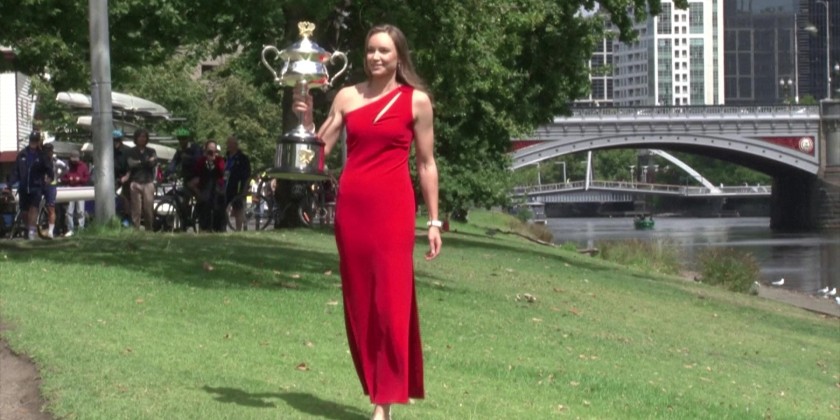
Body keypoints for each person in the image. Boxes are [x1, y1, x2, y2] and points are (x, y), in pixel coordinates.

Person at [293, 24, 441, 420]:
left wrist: (434, 221)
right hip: (352, 211)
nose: (376, 56)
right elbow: (316, 152)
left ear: (399, 57)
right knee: (360, 302)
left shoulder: (417, 101)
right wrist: (305, 122)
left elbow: (427, 164)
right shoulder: (346, 96)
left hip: (393, 210)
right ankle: (376, 386)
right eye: (371, 49)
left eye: (384, 51)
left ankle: (383, 403)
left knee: (390, 303)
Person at [7, 131, 53, 240]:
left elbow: (49, 168)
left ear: (38, 142)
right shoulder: (22, 154)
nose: (33, 143)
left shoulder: (42, 155)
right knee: (24, 211)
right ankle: (28, 228)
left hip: (36, 186)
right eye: (32, 140)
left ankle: (31, 232)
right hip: (23, 186)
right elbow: (16, 171)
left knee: (34, 208)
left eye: (35, 141)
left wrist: (50, 177)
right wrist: (10, 184)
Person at [189, 140, 225, 232]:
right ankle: (203, 227)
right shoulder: (202, 161)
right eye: (209, 151)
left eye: (214, 150)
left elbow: (221, 173)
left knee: (218, 204)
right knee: (204, 202)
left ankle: (217, 227)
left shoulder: (219, 160)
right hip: (204, 188)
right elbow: (196, 174)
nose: (211, 153)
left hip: (217, 188)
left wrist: (213, 160)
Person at [126, 128, 157, 231]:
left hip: (148, 182)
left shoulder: (151, 151)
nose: (142, 139)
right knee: (136, 210)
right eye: (140, 136)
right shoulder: (131, 151)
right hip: (135, 182)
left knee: (148, 209)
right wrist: (145, 161)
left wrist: (139, 162)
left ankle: (149, 229)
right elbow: (131, 163)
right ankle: (136, 230)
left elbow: (153, 163)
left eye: (144, 136)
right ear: (136, 138)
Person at [60, 150, 90, 236]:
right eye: (73, 160)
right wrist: (68, 179)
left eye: (76, 160)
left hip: (80, 188)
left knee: (80, 210)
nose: (74, 162)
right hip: (69, 188)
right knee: (69, 211)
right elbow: (62, 178)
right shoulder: (67, 166)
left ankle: (81, 229)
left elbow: (87, 178)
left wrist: (80, 179)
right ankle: (70, 229)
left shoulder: (83, 166)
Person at [224, 136, 251, 231]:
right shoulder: (225, 158)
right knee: (223, 208)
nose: (228, 146)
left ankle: (239, 229)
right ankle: (223, 227)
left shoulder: (243, 159)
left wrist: (245, 187)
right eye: (227, 143)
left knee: (238, 208)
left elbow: (247, 174)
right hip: (226, 186)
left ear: (235, 145)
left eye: (229, 143)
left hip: (238, 187)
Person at [41, 142, 67, 238]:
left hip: (51, 185)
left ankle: (51, 231)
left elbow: (65, 167)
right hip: (41, 184)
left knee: (51, 207)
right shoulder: (40, 160)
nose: (48, 153)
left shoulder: (55, 161)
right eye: (46, 151)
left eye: (49, 151)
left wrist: (59, 176)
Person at [113, 129, 131, 223]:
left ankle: (127, 217)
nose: (115, 142)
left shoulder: (127, 151)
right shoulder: (110, 150)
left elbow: (131, 167)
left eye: (117, 140)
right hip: (114, 177)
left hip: (126, 176)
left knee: (126, 195)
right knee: (109, 194)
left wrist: (126, 177)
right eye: (113, 140)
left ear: (121, 140)